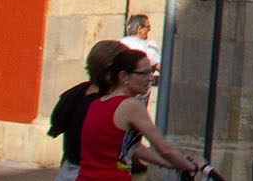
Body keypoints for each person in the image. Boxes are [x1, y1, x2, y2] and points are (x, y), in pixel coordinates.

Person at [78, 46, 205, 181]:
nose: (150, 79)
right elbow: (164, 148)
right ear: (123, 76)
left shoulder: (97, 103)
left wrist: (166, 164)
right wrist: (193, 166)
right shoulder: (131, 105)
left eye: (150, 72)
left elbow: (132, 146)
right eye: (143, 74)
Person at [49, 40, 126, 181]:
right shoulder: (105, 104)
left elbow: (68, 145)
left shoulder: (74, 94)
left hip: (69, 170)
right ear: (110, 74)